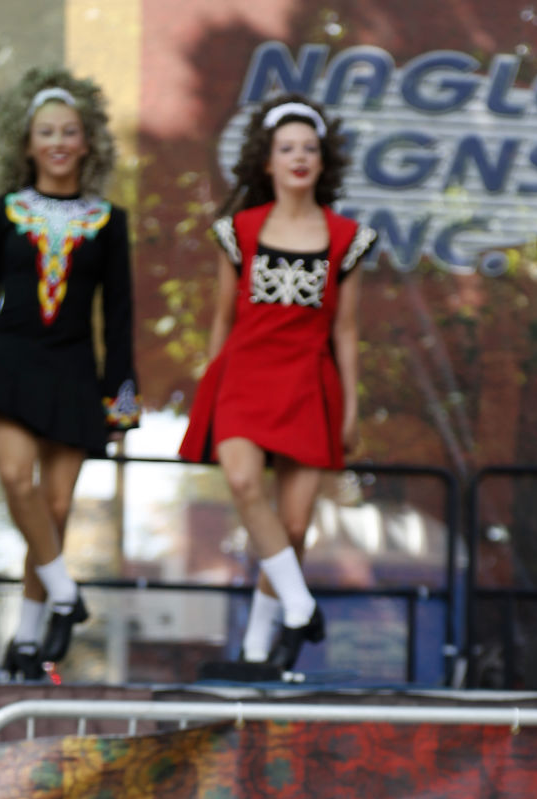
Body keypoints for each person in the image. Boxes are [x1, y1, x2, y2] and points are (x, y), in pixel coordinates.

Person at [0, 67, 139, 680]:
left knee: (55, 509)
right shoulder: (4, 210)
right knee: (15, 479)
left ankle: (25, 644)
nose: (58, 141)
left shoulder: (109, 220)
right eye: (46, 131)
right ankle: (65, 593)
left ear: (88, 143)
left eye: (70, 131)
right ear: (27, 144)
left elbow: (122, 310)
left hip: (74, 371)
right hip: (6, 363)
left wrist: (120, 392)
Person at [179, 94, 375, 674]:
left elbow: (346, 330)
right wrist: (212, 387)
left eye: (309, 148)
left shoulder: (347, 239)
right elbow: (221, 317)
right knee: (242, 480)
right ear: (267, 162)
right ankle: (299, 604)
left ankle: (260, 649)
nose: (298, 157)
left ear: (322, 161)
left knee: (293, 525)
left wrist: (353, 406)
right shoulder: (237, 231)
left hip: (309, 384)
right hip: (244, 376)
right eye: (286, 148)